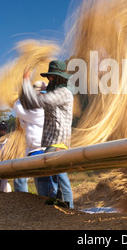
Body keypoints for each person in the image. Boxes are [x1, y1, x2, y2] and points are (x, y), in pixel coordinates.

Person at [21, 60, 74, 208]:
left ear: (59, 78)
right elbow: (30, 103)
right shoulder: (56, 93)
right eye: (49, 77)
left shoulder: (63, 93)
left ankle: (68, 210)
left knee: (59, 178)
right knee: (57, 176)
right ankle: (59, 207)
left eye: (52, 77)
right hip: (53, 143)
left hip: (59, 143)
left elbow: (37, 102)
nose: (50, 80)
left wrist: (26, 81)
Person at [13, 81, 46, 193]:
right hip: (34, 151)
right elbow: (24, 123)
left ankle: (47, 206)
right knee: (21, 179)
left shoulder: (40, 110)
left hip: (41, 151)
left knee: (43, 183)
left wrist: (20, 97)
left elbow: (19, 109)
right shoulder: (34, 111)